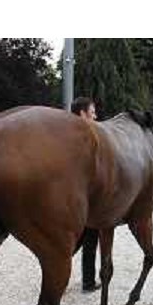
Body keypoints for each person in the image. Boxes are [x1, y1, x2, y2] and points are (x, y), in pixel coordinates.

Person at [71, 96, 100, 292]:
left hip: (74, 199)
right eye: (92, 112)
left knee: (78, 240)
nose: (95, 117)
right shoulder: (86, 136)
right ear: (82, 114)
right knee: (89, 237)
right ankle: (88, 282)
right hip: (85, 199)